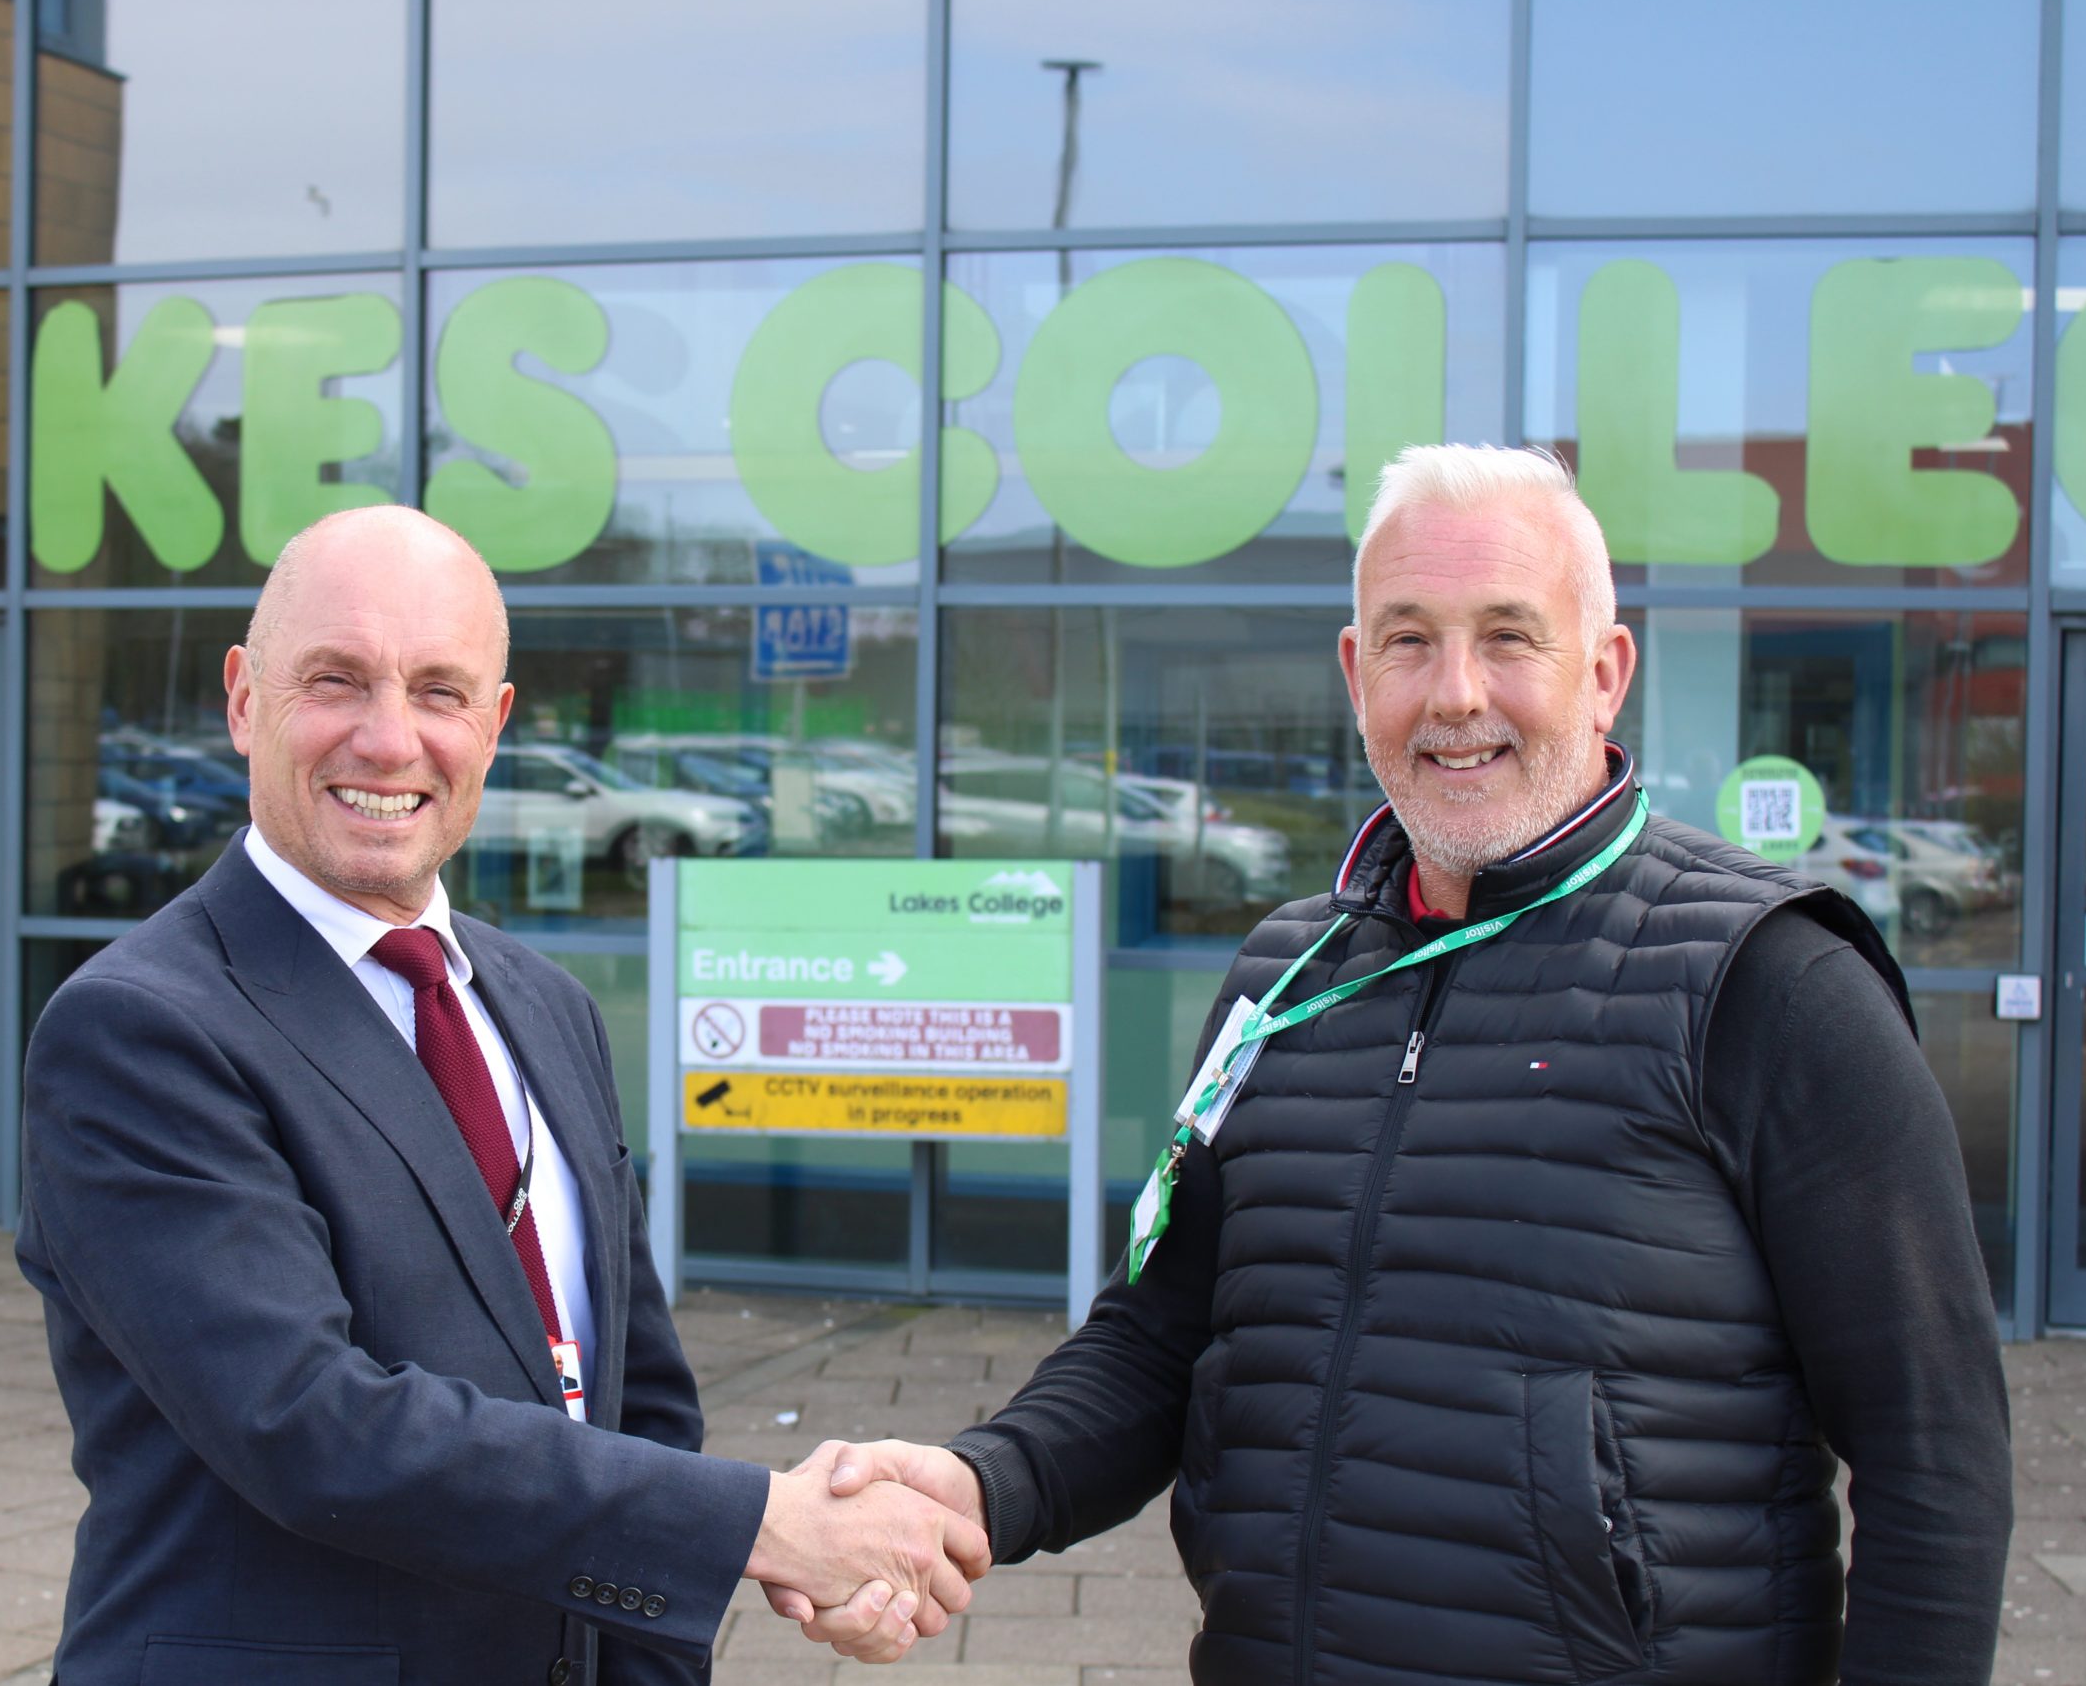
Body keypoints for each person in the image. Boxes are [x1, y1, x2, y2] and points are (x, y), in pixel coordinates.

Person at [775, 446, 2012, 1684]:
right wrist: (980, 1484)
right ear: (1357, 675)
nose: (1455, 695)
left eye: (1509, 637)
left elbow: (1933, 1458)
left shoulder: (1771, 981)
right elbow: (1160, 1335)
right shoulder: (1282, 979)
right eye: (1409, 640)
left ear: (1604, 673)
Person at [17, 505, 985, 1686]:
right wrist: (768, 1528)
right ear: (240, 699)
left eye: (439, 692)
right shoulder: (140, 1029)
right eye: (337, 680)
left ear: (496, 724)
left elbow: (635, 1407)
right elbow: (310, 1425)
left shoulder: (543, 1008)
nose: (388, 740)